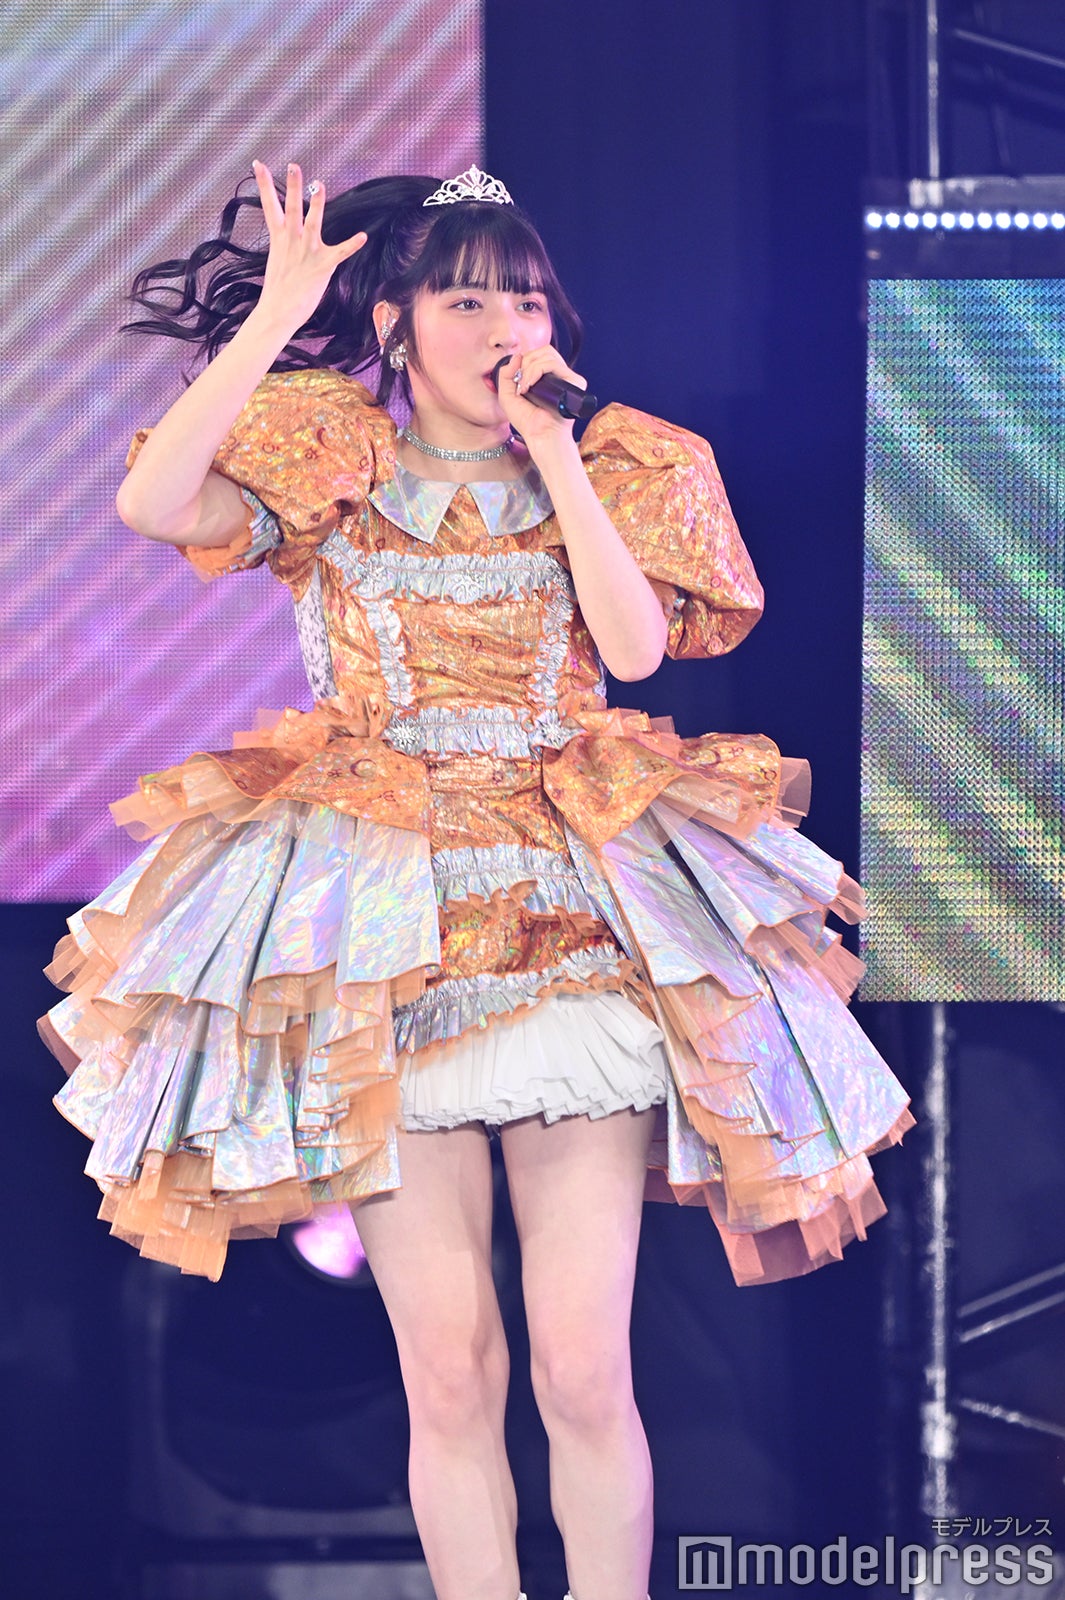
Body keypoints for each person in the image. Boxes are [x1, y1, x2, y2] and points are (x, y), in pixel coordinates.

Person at [40, 161, 915, 1600]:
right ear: (395, 322)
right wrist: (276, 318)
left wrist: (554, 450)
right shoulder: (334, 461)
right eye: (466, 300)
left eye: (526, 299)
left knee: (580, 1365)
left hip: (567, 910)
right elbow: (154, 501)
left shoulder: (612, 465)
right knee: (448, 1369)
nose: (505, 325)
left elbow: (634, 652)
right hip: (378, 925)